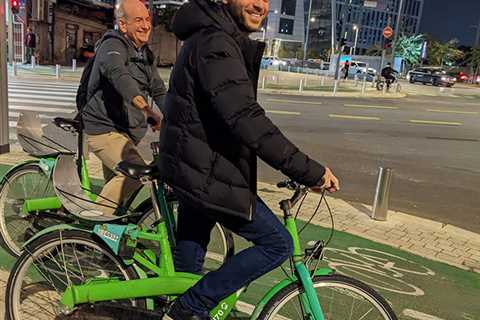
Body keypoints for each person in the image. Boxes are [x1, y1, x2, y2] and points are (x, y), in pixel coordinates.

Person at [157, 0, 340, 319]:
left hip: (195, 166)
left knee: (185, 272)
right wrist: (310, 171)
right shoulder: (216, 41)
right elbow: (246, 119)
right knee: (277, 244)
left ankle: (175, 307)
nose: (261, 4)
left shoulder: (213, 35)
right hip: (204, 172)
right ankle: (189, 308)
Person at [80, 0, 165, 217]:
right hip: (103, 129)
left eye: (147, 19)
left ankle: (109, 232)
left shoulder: (145, 53)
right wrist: (148, 110)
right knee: (134, 175)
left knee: (117, 193)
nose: (146, 25)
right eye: (138, 20)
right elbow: (119, 76)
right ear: (123, 25)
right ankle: (91, 233)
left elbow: (159, 90)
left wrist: (178, 119)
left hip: (126, 132)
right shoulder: (112, 46)